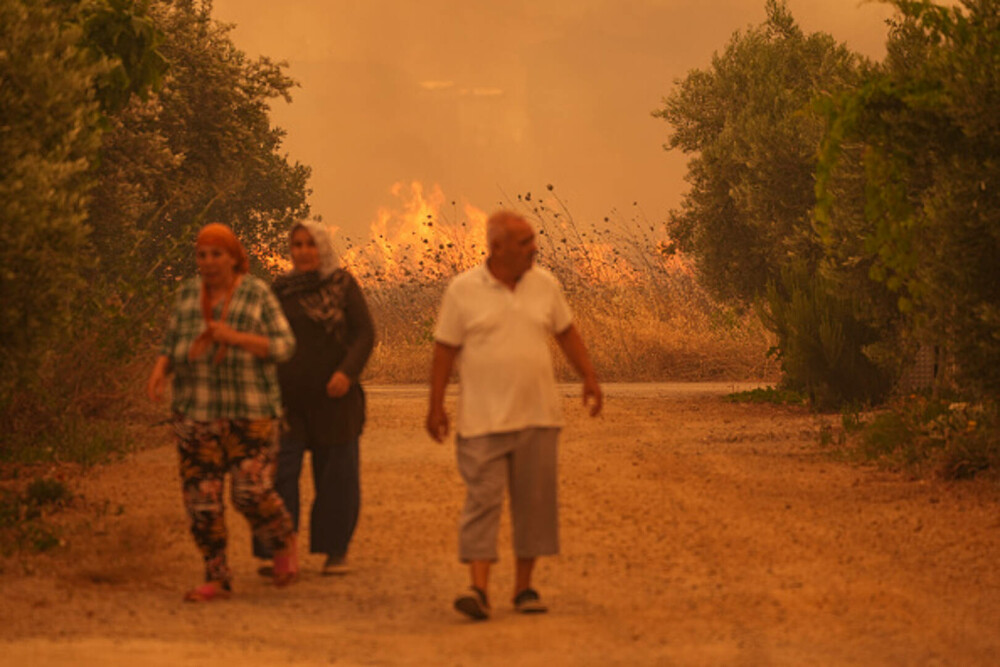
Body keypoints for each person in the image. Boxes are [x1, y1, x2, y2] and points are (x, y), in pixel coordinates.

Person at [426, 210, 603, 620]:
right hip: (481, 420)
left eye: (533, 240)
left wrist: (589, 377)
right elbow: (444, 350)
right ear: (497, 247)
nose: (533, 249)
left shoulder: (545, 284)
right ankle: (478, 589)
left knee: (534, 505)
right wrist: (435, 405)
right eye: (525, 243)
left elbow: (566, 333)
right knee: (482, 501)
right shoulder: (463, 290)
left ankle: (524, 589)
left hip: (538, 416)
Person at [147, 222, 298, 602]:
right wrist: (160, 370)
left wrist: (234, 338)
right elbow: (172, 341)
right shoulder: (187, 295)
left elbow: (284, 346)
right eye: (202, 254)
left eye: (217, 254)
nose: (209, 261)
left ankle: (282, 539)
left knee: (249, 492)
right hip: (195, 412)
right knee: (201, 502)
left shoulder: (256, 293)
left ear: (233, 257)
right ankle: (217, 576)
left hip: (251, 412)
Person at [253, 220, 375, 576]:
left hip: (336, 400)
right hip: (289, 401)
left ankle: (335, 551)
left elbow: (365, 334)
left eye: (311, 244)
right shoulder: (281, 289)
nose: (304, 251)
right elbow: (265, 336)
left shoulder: (342, 285)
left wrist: (347, 373)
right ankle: (279, 551)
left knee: (337, 477)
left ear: (322, 248)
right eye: (297, 245)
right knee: (280, 475)